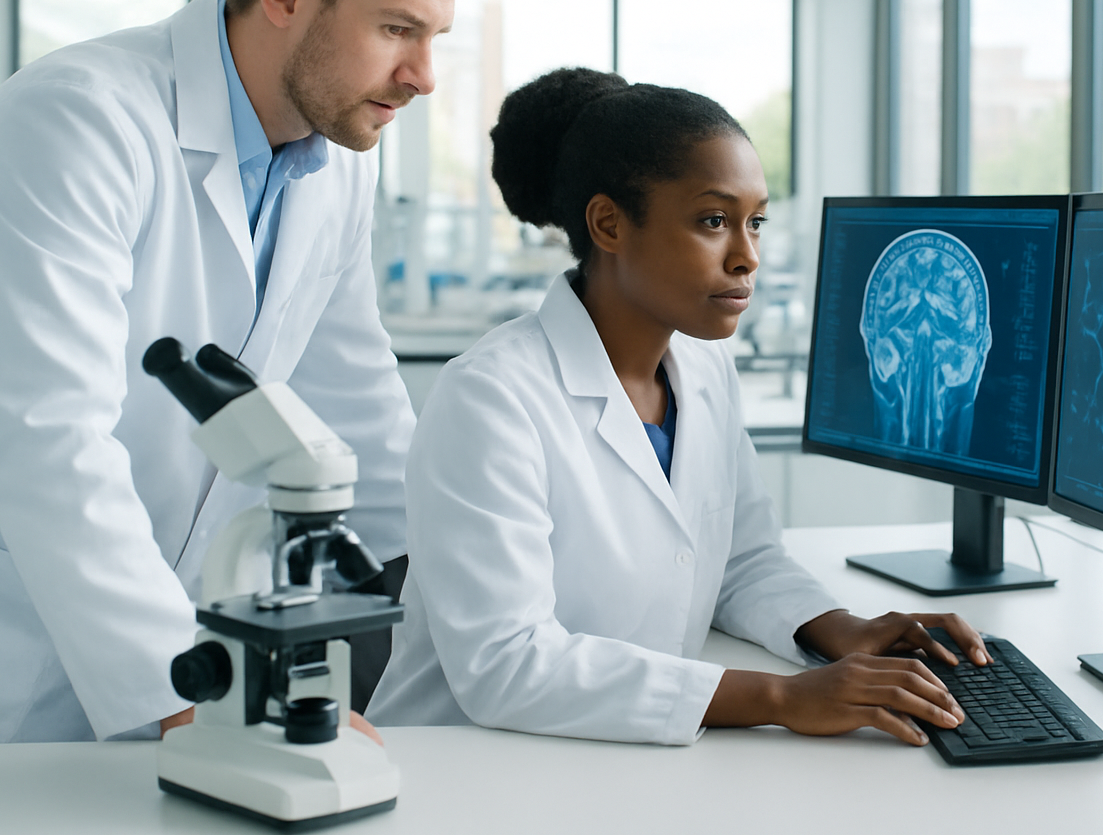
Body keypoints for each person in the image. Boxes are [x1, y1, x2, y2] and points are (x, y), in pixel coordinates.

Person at [0, 0, 474, 746]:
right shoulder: (79, 120)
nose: (424, 75)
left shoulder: (333, 167)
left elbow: (361, 413)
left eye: (436, 38)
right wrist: (183, 693)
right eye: (398, 28)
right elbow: (44, 437)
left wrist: (468, 594)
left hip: (173, 638)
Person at [366, 68, 989, 746]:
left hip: (619, 761)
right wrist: (781, 695)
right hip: (465, 769)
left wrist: (844, 632)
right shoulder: (491, 397)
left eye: (756, 223)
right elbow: (506, 664)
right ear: (608, 223)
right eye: (714, 221)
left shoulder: (703, 368)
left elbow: (741, 560)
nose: (747, 257)